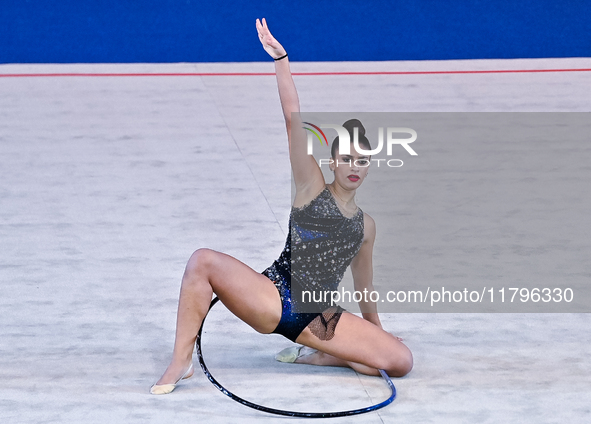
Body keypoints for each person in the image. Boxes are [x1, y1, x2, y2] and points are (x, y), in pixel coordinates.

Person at [150, 18, 412, 395]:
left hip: (321, 318)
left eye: (362, 161)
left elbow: (364, 286)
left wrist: (377, 334)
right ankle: (181, 361)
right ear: (332, 163)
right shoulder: (311, 187)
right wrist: (281, 60)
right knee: (201, 261)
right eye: (347, 159)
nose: (354, 167)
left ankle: (323, 353)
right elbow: (293, 119)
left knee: (401, 361)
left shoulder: (365, 226)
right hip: (275, 296)